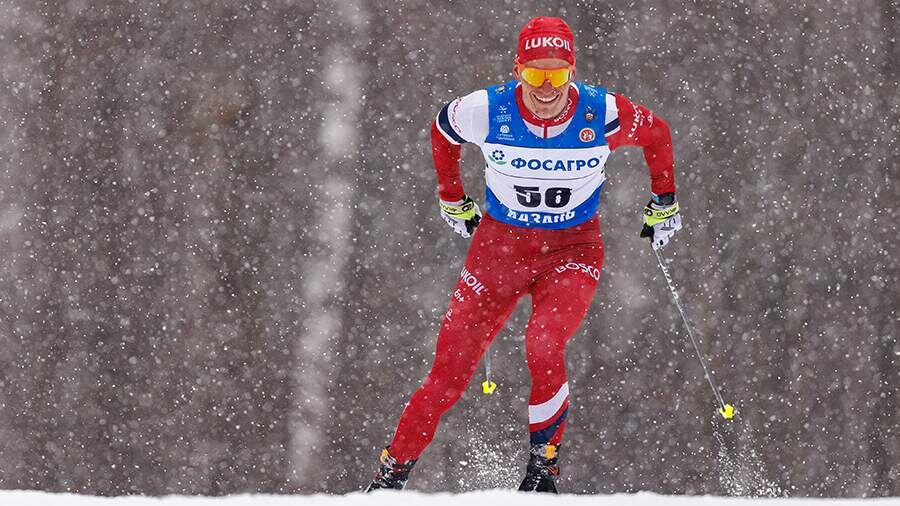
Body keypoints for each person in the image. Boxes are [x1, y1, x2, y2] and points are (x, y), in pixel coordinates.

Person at [365, 16, 682, 493]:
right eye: (536, 74)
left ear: (572, 72)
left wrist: (664, 201)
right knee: (449, 373)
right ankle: (389, 478)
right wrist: (451, 195)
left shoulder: (602, 112)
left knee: (543, 343)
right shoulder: (486, 110)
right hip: (499, 251)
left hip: (571, 250)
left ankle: (542, 471)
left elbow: (657, 133)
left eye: (557, 74)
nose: (547, 87)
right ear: (518, 71)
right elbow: (441, 131)